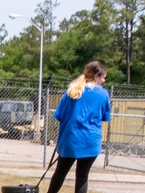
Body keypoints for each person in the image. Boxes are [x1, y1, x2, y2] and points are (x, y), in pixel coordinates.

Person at [47, 61, 111, 193]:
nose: (104, 81)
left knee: (60, 173)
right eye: (103, 77)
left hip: (70, 139)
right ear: (96, 76)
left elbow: (59, 116)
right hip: (90, 141)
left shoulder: (71, 91)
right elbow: (105, 118)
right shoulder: (103, 94)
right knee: (82, 176)